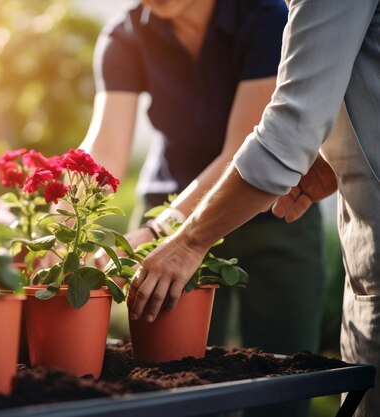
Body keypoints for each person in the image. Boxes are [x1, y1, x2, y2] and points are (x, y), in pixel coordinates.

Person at [129, 1, 380, 416]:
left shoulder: (259, 14)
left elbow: (287, 130)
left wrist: (187, 240)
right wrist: (346, 155)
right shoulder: (130, 32)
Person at [80, 2, 325, 415]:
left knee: (286, 382)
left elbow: (244, 150)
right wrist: (63, 228)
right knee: (173, 380)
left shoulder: (263, 17)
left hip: (272, 211)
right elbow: (104, 150)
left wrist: (163, 230)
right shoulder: (125, 36)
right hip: (167, 211)